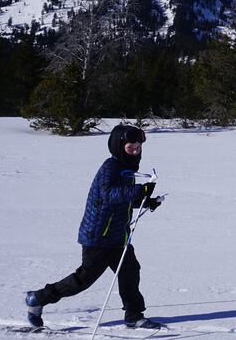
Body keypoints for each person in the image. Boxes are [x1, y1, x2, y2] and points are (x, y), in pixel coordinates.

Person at [25, 124, 163, 330]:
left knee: (130, 271)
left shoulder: (126, 170)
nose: (135, 151)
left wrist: (145, 201)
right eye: (130, 148)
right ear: (119, 147)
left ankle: (134, 315)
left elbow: (121, 199)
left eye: (138, 148)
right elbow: (109, 195)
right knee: (83, 279)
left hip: (118, 236)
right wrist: (139, 190)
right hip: (98, 236)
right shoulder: (110, 167)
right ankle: (38, 298)